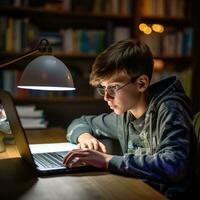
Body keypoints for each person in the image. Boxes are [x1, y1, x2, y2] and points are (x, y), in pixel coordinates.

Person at [63, 39, 196, 199]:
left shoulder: (170, 109)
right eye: (103, 88)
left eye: (113, 88)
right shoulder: (124, 116)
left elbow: (174, 165)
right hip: (138, 191)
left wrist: (107, 160)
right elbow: (80, 122)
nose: (106, 97)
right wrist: (85, 137)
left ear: (141, 84)